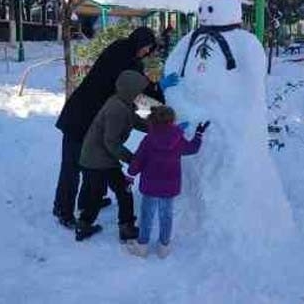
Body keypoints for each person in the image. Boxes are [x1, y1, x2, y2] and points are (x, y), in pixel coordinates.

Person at [53, 27, 179, 229]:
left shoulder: (124, 51)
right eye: (146, 48)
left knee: (93, 160)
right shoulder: (124, 57)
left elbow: (135, 96)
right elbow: (138, 95)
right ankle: (63, 209)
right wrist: (159, 98)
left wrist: (156, 120)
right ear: (139, 42)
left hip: (94, 116)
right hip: (80, 117)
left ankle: (89, 201)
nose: (147, 53)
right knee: (73, 165)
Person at [75, 70, 151, 242]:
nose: (141, 94)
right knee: (124, 191)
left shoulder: (123, 103)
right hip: (98, 158)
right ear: (130, 90)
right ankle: (126, 228)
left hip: (97, 157)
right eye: (139, 90)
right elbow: (111, 142)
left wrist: (158, 128)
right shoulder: (116, 109)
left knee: (95, 195)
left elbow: (135, 120)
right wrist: (133, 160)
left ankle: (84, 225)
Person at [125, 106, 209, 258]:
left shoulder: (149, 139)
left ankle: (142, 246)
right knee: (166, 216)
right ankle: (164, 247)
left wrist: (130, 175)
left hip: (150, 185)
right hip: (169, 186)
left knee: (147, 216)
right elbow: (192, 149)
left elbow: (138, 159)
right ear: (171, 120)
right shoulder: (177, 138)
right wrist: (198, 134)